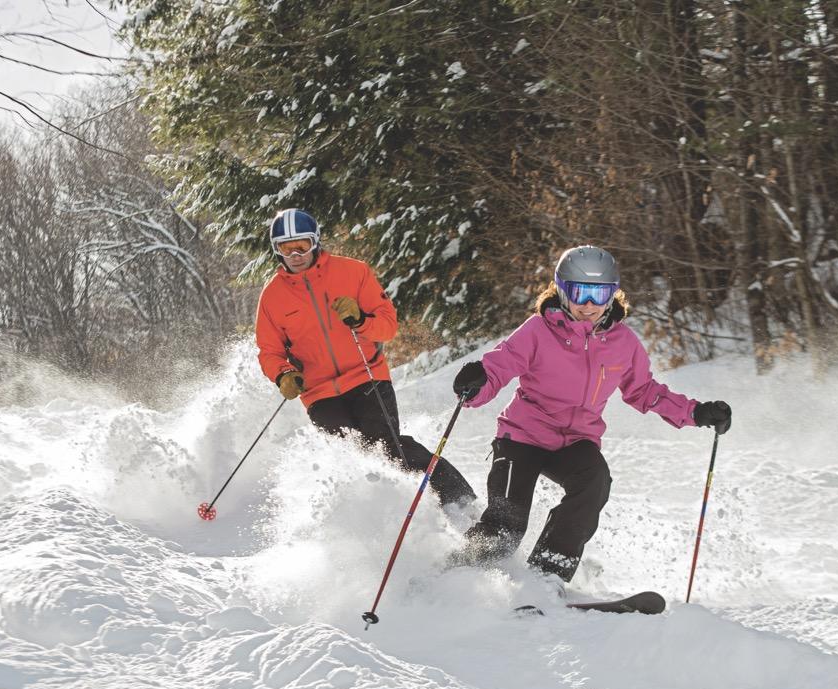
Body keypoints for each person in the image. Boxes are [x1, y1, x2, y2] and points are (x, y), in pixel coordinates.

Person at [450, 245, 732, 584]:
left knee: (594, 482)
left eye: (599, 295)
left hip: (576, 441)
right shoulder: (538, 330)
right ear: (561, 290)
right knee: (506, 525)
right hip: (522, 438)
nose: (588, 305)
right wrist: (476, 385)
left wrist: (695, 412)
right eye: (579, 292)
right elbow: (500, 365)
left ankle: (546, 576)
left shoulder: (623, 343)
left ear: (612, 295)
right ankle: (455, 576)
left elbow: (644, 390)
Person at [254, 208, 475, 508]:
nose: (295, 254)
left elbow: (388, 326)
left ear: (315, 242)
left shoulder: (353, 272)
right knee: (351, 459)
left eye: (302, 245)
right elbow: (270, 351)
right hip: (319, 394)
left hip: (367, 376)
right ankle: (377, 518)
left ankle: (458, 498)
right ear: (275, 249)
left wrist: (360, 320)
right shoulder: (272, 296)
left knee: (387, 448)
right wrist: (283, 374)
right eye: (285, 247)